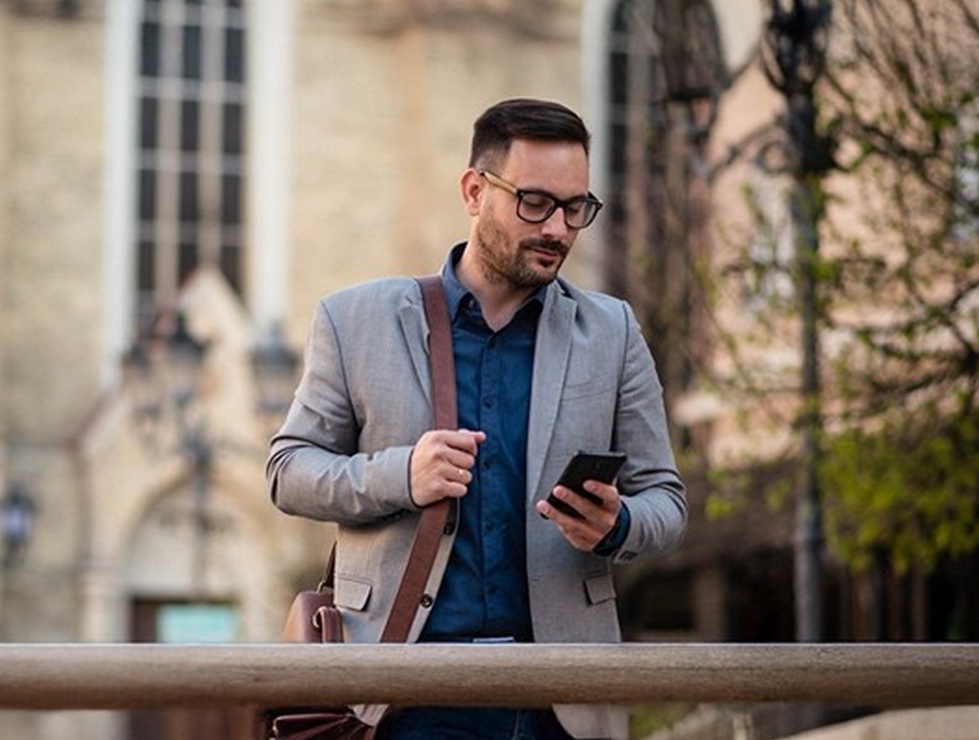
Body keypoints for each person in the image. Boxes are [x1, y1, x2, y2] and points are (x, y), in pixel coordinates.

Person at [266, 97, 687, 740]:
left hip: (563, 704)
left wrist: (617, 523)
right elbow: (288, 471)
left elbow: (667, 502)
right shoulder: (354, 321)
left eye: (576, 209)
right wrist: (401, 474)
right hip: (403, 697)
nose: (558, 229)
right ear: (474, 191)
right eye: (536, 203)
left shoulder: (614, 333)